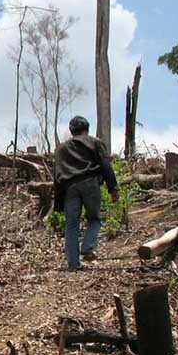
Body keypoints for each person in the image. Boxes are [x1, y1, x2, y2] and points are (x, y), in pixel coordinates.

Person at [53, 115, 119, 271]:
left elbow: (57, 176)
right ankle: (88, 247)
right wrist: (113, 187)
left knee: (71, 226)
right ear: (87, 128)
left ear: (71, 131)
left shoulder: (61, 149)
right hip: (90, 183)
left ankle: (73, 264)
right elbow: (106, 165)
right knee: (94, 219)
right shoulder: (95, 142)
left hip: (70, 188)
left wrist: (58, 202)